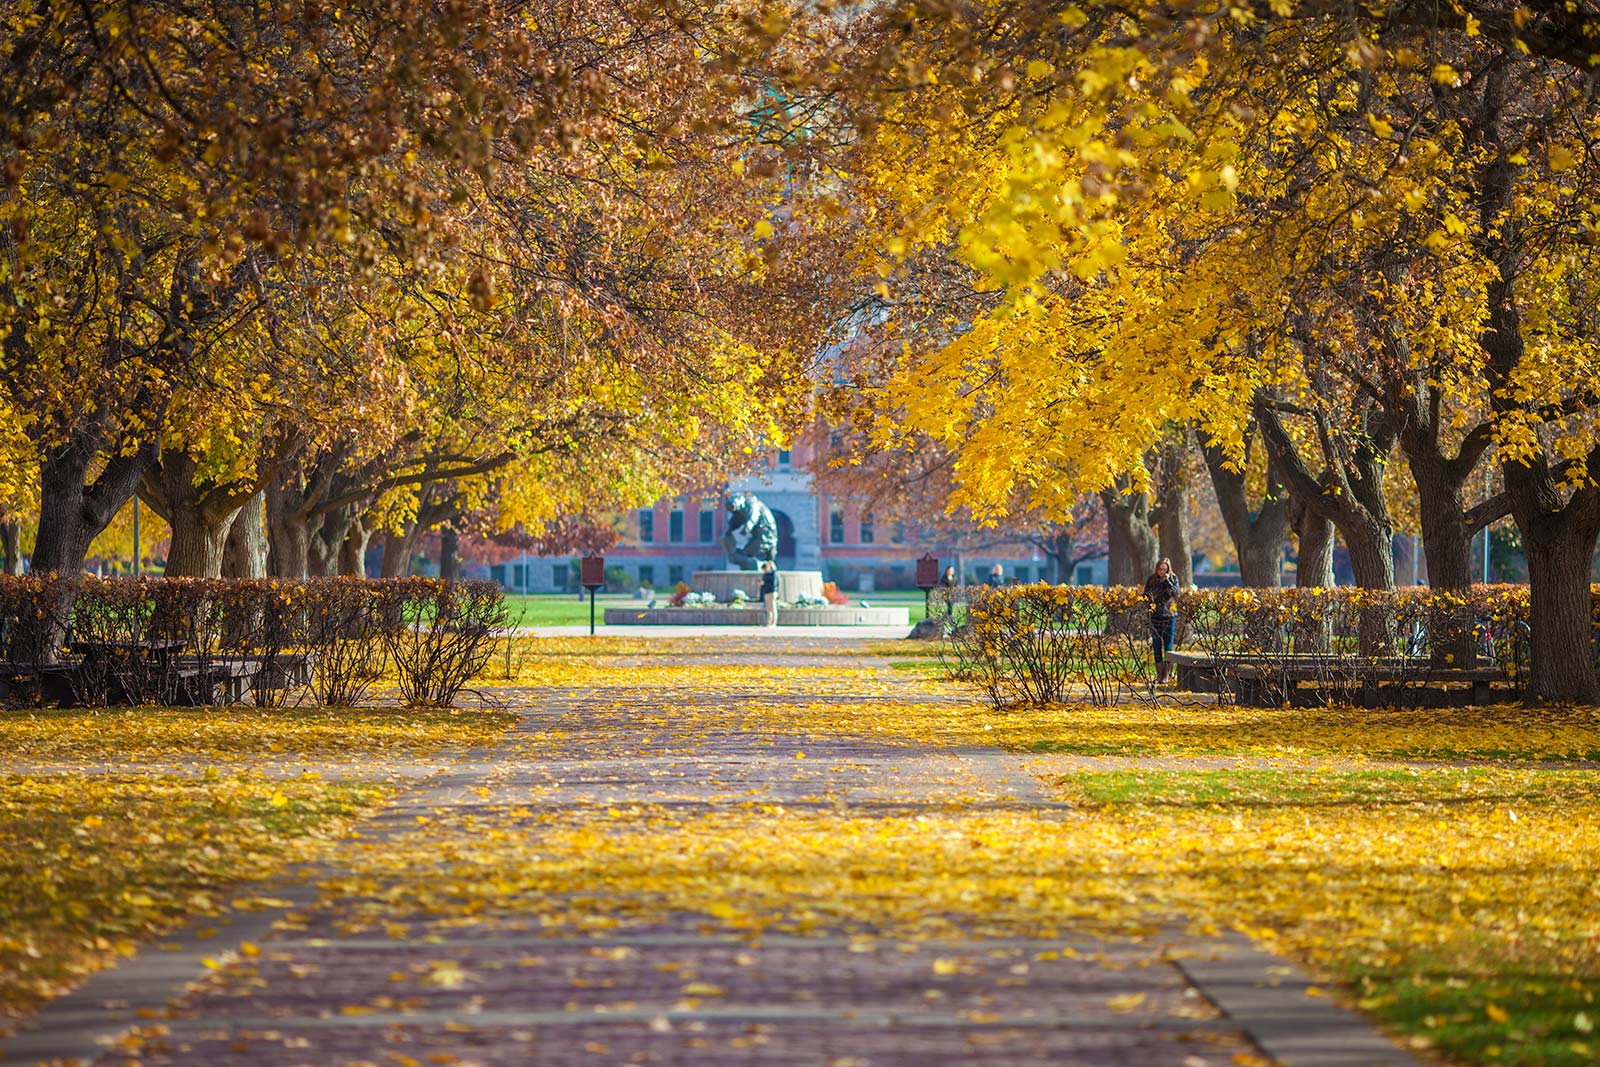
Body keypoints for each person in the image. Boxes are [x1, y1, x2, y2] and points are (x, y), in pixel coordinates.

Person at [1145, 557, 1180, 685]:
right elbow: (1146, 594)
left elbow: (1175, 593)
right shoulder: (1152, 579)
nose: (1162, 572)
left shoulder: (1173, 579)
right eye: (1160, 569)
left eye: (1164, 569)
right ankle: (1159, 675)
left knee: (1168, 646)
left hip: (1169, 616)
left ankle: (1166, 675)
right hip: (1155, 616)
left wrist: (1166, 582)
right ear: (1157, 569)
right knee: (1156, 645)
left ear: (1168, 569)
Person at [759, 560, 778, 626]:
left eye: (764, 569)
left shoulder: (773, 574)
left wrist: (765, 583)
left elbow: (774, 584)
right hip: (766, 592)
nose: (764, 571)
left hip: (772, 592)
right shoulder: (765, 575)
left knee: (773, 608)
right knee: (768, 608)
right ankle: (769, 622)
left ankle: (774, 623)